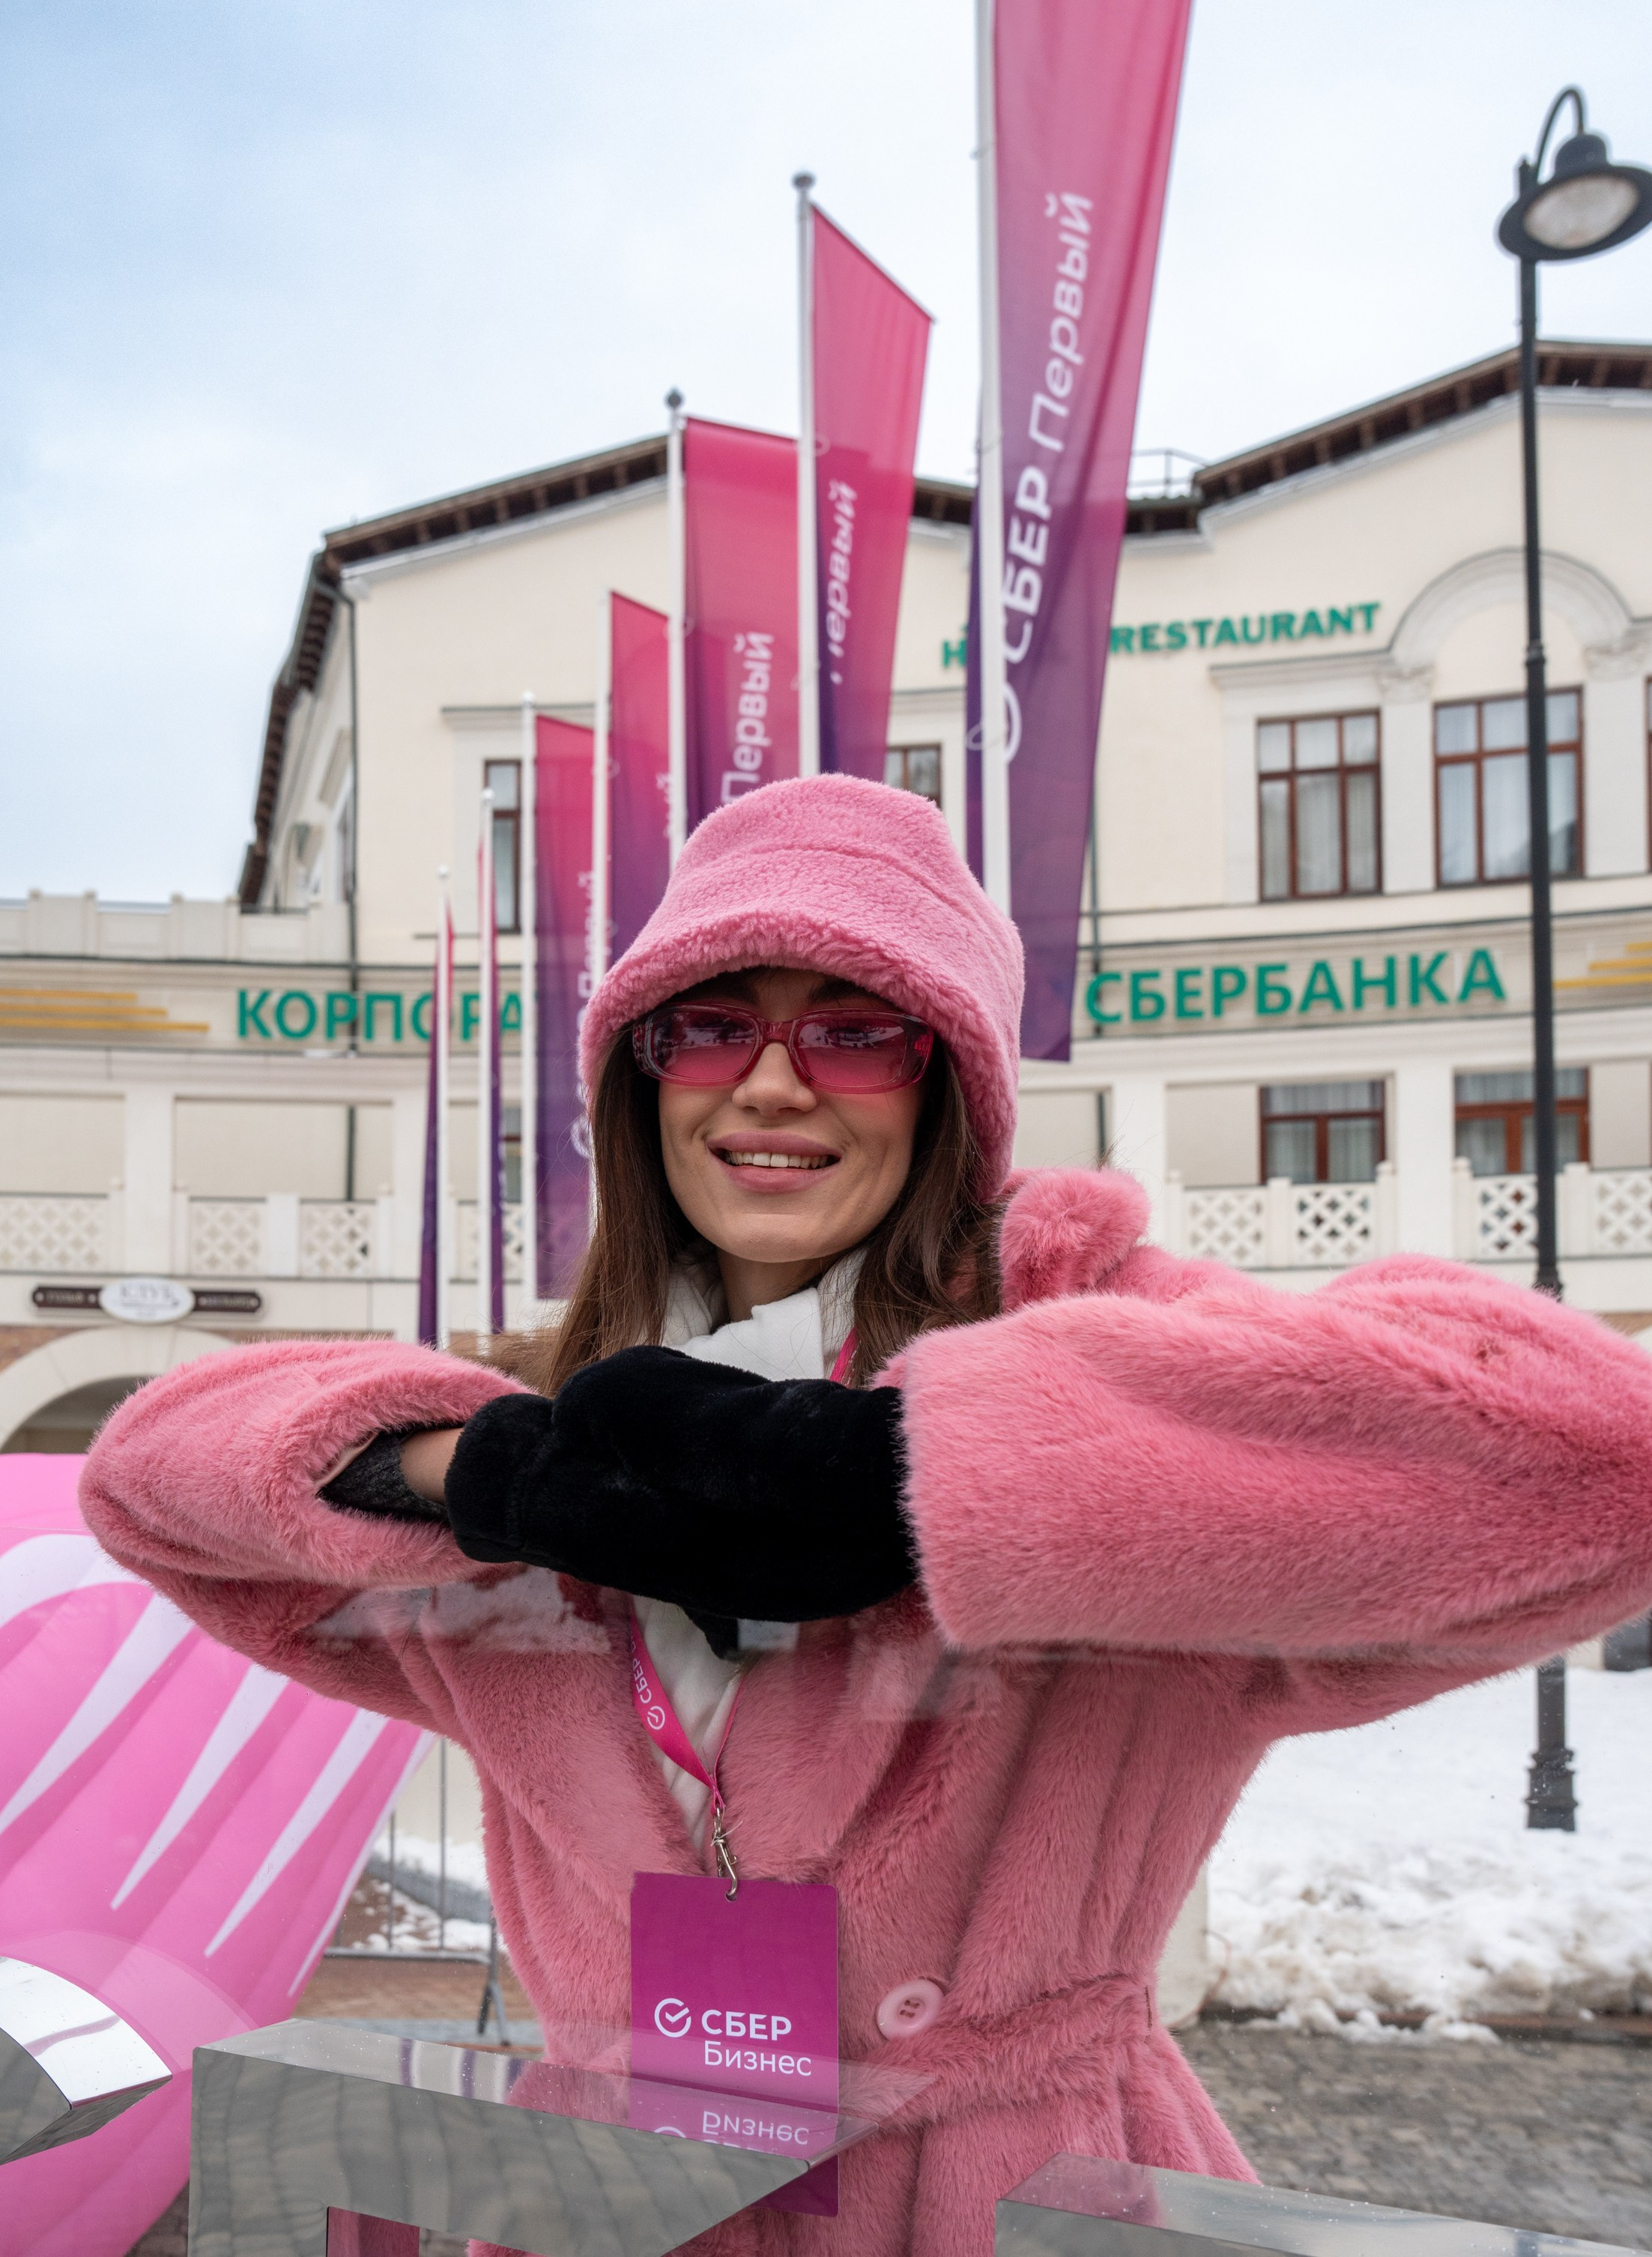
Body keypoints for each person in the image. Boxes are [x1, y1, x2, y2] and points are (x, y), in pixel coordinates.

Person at [82, 773, 1652, 2257]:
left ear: (947, 1082)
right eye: (709, 1028)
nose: (770, 1080)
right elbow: (155, 1474)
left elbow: (1593, 1457)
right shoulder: (573, 1418)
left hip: (1024, 2203)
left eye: (853, 1031)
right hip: (611, 2204)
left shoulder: (1109, 1349)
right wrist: (479, 1475)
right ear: (644, 1078)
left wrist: (919, 1478)